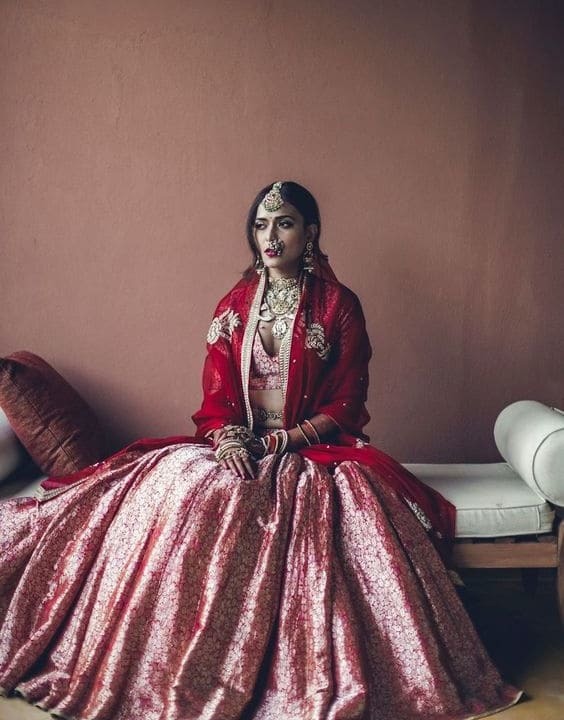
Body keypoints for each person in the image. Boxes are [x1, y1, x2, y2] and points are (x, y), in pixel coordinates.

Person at [0, 181, 521, 720]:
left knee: (314, 508)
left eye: (285, 223)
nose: (270, 236)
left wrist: (279, 442)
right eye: (261, 225)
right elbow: (216, 398)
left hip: (312, 450)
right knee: (181, 484)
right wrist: (227, 438)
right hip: (238, 442)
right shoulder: (234, 304)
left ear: (311, 232)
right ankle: (171, 661)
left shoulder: (339, 307)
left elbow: (346, 403)